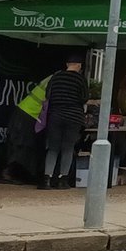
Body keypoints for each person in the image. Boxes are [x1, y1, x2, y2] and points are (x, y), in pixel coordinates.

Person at [39, 54, 88, 190]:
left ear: (67, 64)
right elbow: (84, 98)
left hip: (55, 116)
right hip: (74, 117)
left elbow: (48, 95)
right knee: (68, 148)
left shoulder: (56, 77)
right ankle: (62, 179)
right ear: (79, 66)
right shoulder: (80, 79)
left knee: (53, 148)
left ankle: (47, 179)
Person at [4, 75, 50, 184]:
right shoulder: (58, 79)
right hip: (29, 113)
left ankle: (17, 174)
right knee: (23, 146)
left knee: (22, 145)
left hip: (27, 110)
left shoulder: (52, 77)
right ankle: (11, 173)